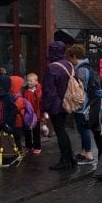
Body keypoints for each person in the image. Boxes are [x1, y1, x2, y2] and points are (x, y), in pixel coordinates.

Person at [42, 40, 78, 171]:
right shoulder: (68, 65)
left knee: (60, 132)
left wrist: (45, 108)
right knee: (63, 131)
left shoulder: (52, 68)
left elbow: (49, 91)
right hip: (67, 103)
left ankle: (65, 160)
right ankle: (70, 158)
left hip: (55, 105)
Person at [66, 45, 96, 164]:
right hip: (87, 102)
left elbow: (80, 89)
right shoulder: (86, 67)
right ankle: (84, 152)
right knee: (82, 128)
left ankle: (88, 153)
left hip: (83, 104)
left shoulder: (81, 69)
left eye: (70, 58)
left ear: (74, 56)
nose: (70, 61)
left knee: (83, 129)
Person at [22, 72, 43, 155]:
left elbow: (40, 103)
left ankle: (37, 147)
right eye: (28, 81)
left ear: (36, 82)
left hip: (36, 115)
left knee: (36, 131)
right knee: (27, 131)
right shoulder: (25, 91)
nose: (29, 83)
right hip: (27, 115)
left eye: (31, 81)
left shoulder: (39, 91)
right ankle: (28, 146)